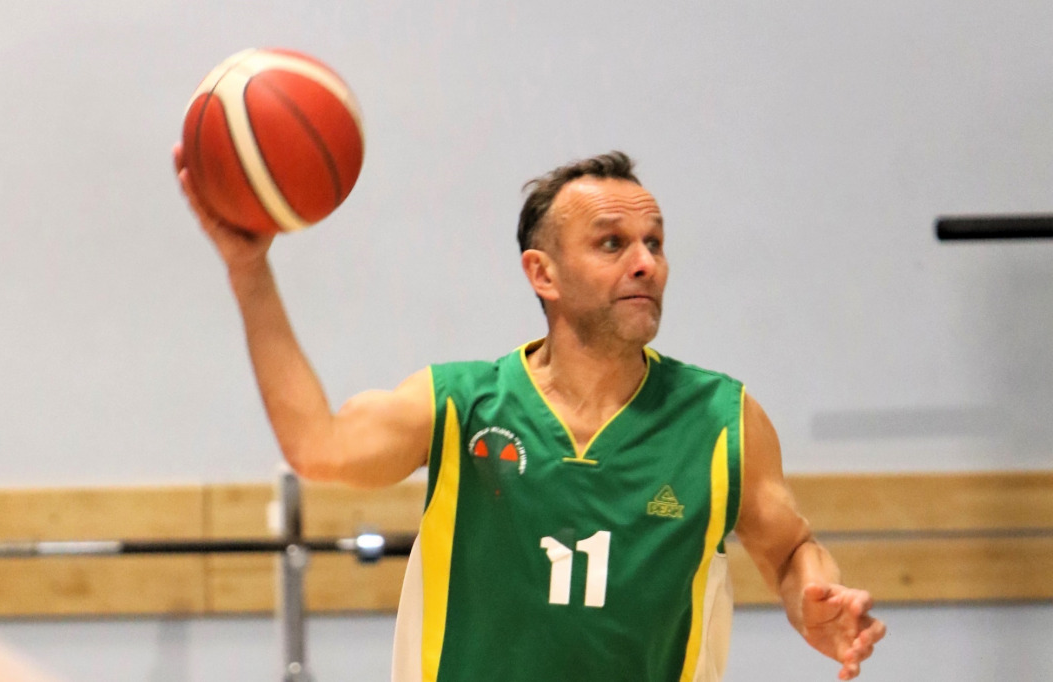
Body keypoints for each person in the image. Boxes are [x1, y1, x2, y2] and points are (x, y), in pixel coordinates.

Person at [174, 147, 885, 681]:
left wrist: (813, 596)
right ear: (543, 273)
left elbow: (790, 549)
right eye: (612, 243)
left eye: (655, 242)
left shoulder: (721, 419)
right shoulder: (460, 404)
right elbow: (319, 445)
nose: (646, 262)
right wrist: (250, 272)